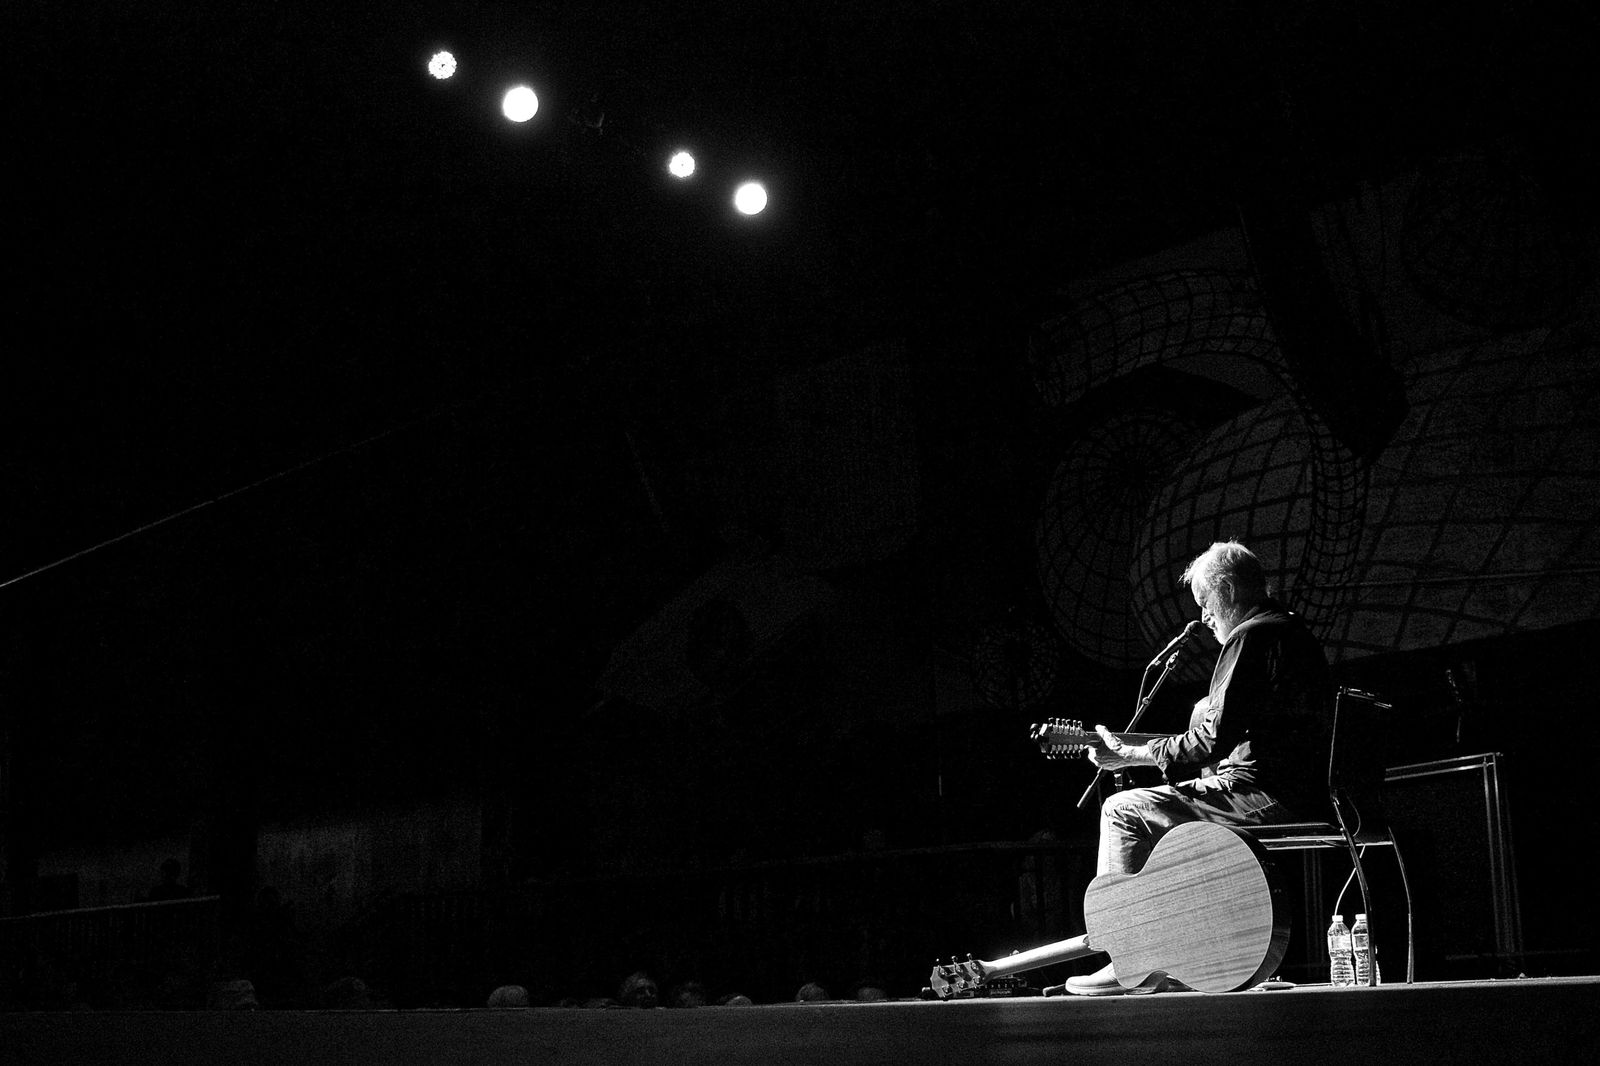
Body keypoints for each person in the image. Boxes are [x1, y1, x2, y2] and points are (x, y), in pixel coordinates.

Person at [1065, 540, 1333, 996]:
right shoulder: (1291, 631)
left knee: (1122, 810)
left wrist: (1131, 754)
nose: (1205, 617)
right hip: (1305, 791)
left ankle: (1127, 959)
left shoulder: (1251, 636)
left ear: (1227, 590)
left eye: (1206, 603)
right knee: (1167, 820)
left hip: (1267, 794)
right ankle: (1174, 960)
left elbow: (1210, 741)